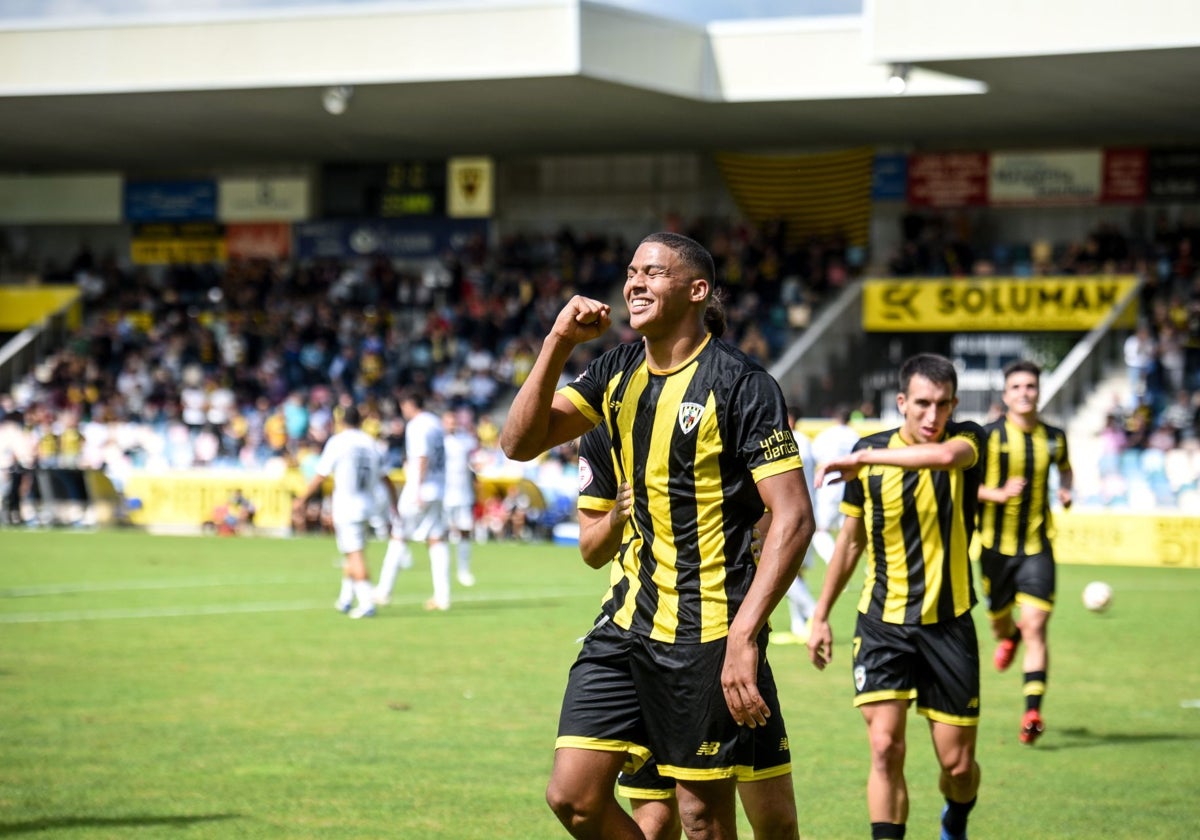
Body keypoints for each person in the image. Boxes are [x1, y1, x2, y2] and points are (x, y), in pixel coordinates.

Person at [501, 231, 814, 840]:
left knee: (702, 817)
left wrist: (745, 636)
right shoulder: (615, 370)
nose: (634, 283)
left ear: (697, 291)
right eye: (631, 272)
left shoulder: (741, 384)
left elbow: (794, 516)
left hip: (707, 629)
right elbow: (518, 443)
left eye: (654, 272)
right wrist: (557, 342)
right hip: (624, 625)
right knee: (573, 798)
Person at [576, 422, 799, 840]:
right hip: (637, 637)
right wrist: (615, 516)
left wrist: (766, 524)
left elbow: (789, 505)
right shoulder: (605, 424)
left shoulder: (728, 392)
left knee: (773, 820)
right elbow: (590, 549)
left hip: (718, 639)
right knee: (659, 821)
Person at [806, 353, 984, 840]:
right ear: (902, 402)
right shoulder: (872, 451)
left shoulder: (968, 439)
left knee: (959, 766)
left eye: (943, 405)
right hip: (882, 623)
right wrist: (820, 615)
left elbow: (946, 459)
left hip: (949, 624)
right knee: (885, 748)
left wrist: (862, 460)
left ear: (954, 405)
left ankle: (956, 820)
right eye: (922, 404)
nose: (933, 417)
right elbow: (850, 541)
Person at [976, 359, 1073, 746]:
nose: (1024, 393)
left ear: (1039, 391)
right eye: (1016, 387)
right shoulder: (987, 437)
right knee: (1001, 626)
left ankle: (1032, 711)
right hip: (994, 550)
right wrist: (995, 494)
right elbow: (963, 483)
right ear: (1006, 395)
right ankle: (1008, 636)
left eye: (1030, 386)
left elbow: (1067, 469)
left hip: (1037, 546)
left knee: (1036, 626)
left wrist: (1066, 490)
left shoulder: (1055, 437)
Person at [300, 405, 396, 620]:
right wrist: (394, 504)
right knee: (351, 552)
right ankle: (345, 598)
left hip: (347, 505)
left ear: (342, 421)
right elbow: (386, 477)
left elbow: (320, 474)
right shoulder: (371, 443)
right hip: (366, 504)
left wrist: (302, 498)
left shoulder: (338, 441)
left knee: (355, 554)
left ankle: (366, 603)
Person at [375, 389, 451, 611]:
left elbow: (421, 456)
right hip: (438, 486)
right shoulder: (436, 423)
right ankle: (442, 597)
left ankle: (383, 591)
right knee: (436, 539)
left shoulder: (417, 425)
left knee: (398, 535)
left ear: (409, 404)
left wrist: (416, 488)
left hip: (421, 487)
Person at [808, 405, 859, 562]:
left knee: (820, 531)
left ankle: (835, 563)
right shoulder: (855, 436)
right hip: (850, 486)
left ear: (836, 418)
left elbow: (814, 457)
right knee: (854, 532)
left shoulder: (826, 435)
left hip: (829, 487)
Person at [442, 409, 480, 587]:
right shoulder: (439, 442)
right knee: (441, 533)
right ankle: (443, 571)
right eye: (448, 421)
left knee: (465, 530)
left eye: (453, 421)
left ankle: (463, 570)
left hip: (463, 493)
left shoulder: (464, 440)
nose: (452, 424)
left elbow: (473, 458)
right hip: (445, 494)